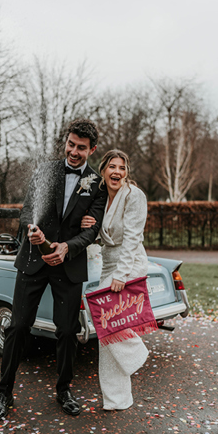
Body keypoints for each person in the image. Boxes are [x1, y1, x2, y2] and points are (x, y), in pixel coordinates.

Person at [0, 119, 107, 421]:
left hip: (68, 266)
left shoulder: (96, 184)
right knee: (18, 326)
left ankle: (64, 390)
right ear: (66, 142)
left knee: (68, 331)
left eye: (81, 148)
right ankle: (4, 392)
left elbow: (92, 231)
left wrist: (67, 247)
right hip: (33, 260)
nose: (74, 151)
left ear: (92, 149)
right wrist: (33, 231)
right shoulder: (45, 171)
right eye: (71, 144)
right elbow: (29, 210)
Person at [80, 149, 150, 411]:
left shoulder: (134, 195)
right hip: (108, 263)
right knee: (105, 337)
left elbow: (132, 237)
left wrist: (121, 275)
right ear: (104, 170)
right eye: (112, 167)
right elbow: (105, 234)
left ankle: (137, 354)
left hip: (129, 264)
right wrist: (90, 225)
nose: (117, 172)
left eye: (121, 167)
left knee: (106, 319)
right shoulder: (101, 197)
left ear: (126, 171)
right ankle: (116, 399)